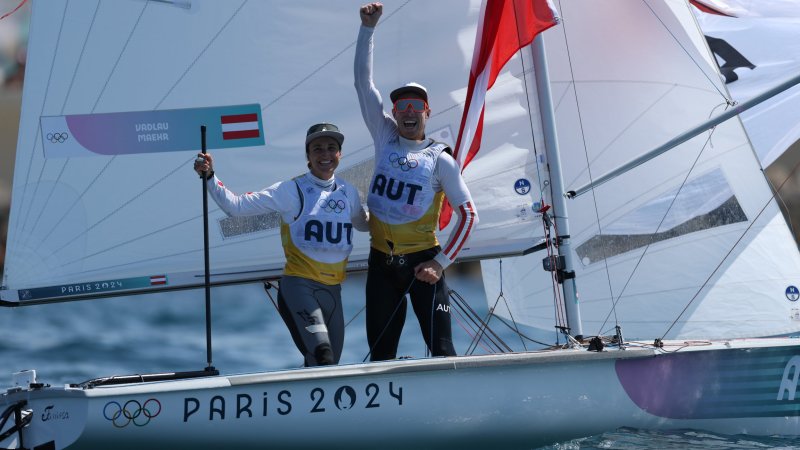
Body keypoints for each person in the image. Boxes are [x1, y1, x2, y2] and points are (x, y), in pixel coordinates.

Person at [355, 3, 478, 361]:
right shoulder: (385, 137)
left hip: (424, 265)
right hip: (381, 264)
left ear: (427, 112)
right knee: (381, 356)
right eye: (401, 106)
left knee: (443, 351)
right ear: (393, 113)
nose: (408, 111)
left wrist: (440, 263)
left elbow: (469, 215)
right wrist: (367, 29)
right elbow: (363, 84)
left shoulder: (441, 160)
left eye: (415, 105)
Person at [193, 123, 368, 367]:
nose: (325, 154)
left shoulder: (348, 192)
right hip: (299, 287)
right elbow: (236, 207)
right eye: (317, 149)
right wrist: (210, 176)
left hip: (333, 292)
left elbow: (363, 223)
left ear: (339, 153)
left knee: (328, 368)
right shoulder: (291, 190)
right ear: (308, 156)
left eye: (331, 148)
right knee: (322, 354)